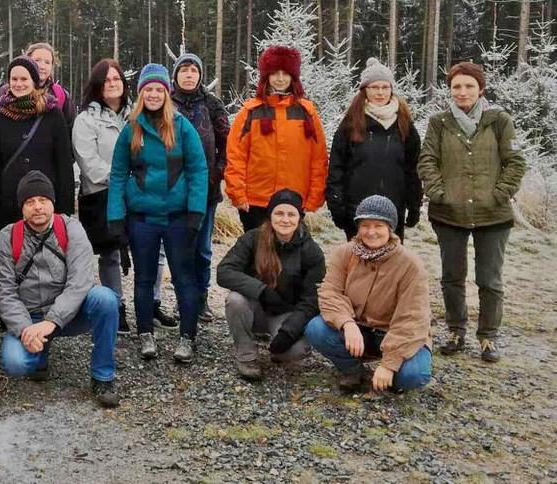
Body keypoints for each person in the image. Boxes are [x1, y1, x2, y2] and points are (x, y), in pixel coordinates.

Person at [418, 61, 527, 362]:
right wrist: (438, 192)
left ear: (481, 89)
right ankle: (456, 330)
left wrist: (500, 193)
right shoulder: (439, 123)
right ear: (450, 90)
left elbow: (515, 162)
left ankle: (488, 336)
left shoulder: (499, 121)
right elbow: (427, 160)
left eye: (469, 86)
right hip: (448, 215)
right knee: (452, 276)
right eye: (456, 86)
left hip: (493, 216)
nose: (462, 92)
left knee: (489, 279)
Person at [107, 63, 208, 363]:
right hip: (142, 219)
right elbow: (117, 173)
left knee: (184, 277)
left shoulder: (181, 127)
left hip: (177, 218)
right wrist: (116, 217)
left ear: (167, 93)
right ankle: (145, 333)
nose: (153, 94)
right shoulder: (131, 129)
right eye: (147, 89)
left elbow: (198, 170)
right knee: (144, 278)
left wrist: (195, 213)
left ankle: (187, 336)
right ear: (141, 94)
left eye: (158, 89)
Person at [0, 171, 120, 408]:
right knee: (15, 364)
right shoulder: (8, 236)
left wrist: (52, 321)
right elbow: (4, 292)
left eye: (43, 200)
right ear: (22, 208)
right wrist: (24, 330)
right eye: (30, 202)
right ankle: (39, 350)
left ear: (53, 203)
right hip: (29, 317)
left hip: (69, 315)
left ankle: (103, 377)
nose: (37, 207)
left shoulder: (72, 229)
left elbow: (80, 282)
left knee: (105, 299)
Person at [305, 196, 433, 393]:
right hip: (357, 330)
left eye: (378, 225)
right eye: (365, 225)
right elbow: (330, 292)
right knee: (316, 329)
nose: (371, 232)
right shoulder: (344, 253)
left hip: (394, 334)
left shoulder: (411, 265)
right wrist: (347, 323)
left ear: (390, 229)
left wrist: (389, 364)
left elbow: (412, 319)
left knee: (413, 375)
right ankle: (353, 370)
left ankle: (389, 378)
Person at [216, 189, 325, 381]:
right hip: (254, 307)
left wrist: (289, 331)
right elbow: (224, 271)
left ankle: (277, 347)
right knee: (234, 300)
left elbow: (312, 299)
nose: (285, 219)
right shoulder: (252, 238)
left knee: (295, 351)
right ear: (270, 215)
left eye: (291, 214)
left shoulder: (311, 251)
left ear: (300, 218)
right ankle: (246, 355)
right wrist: (261, 291)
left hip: (285, 313)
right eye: (279, 213)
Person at [225, 45, 328, 231]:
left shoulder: (307, 113)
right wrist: (238, 194)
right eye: (274, 73)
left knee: (290, 257)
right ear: (266, 77)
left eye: (285, 73)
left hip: (294, 202)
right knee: (259, 256)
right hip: (256, 203)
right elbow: (235, 157)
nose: (280, 79)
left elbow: (318, 159)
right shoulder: (250, 112)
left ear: (293, 77)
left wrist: (314, 197)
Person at [327, 58, 422, 241]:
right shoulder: (351, 123)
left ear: (391, 89)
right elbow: (336, 168)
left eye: (385, 87)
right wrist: (337, 206)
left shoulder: (404, 123)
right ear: (365, 90)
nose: (380, 92)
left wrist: (414, 205)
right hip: (356, 210)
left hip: (393, 209)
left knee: (391, 265)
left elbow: (413, 169)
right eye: (374, 87)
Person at [0, 56, 75, 237]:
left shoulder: (52, 113)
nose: (18, 84)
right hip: (10, 203)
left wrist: (65, 205)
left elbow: (63, 161)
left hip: (45, 203)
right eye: (14, 79)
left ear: (34, 81)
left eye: (24, 79)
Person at [72, 58, 131, 333]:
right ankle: (115, 307)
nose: (112, 84)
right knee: (110, 254)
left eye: (116, 79)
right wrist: (125, 179)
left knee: (149, 251)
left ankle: (150, 304)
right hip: (102, 196)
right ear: (97, 85)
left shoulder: (137, 115)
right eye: (106, 80)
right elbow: (90, 165)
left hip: (138, 195)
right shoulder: (86, 120)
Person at [171, 52, 231, 324]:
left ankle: (202, 298)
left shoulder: (212, 104)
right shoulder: (166, 103)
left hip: (206, 190)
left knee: (203, 248)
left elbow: (226, 143)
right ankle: (183, 298)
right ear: (175, 75)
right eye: (183, 69)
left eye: (193, 70)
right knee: (179, 247)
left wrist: (217, 173)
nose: (188, 74)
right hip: (172, 190)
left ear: (200, 75)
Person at [25, 42, 76, 130]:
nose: (42, 66)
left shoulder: (60, 95)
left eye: (47, 62)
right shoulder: (13, 90)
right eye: (37, 60)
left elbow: (71, 129)